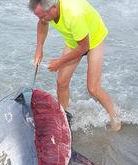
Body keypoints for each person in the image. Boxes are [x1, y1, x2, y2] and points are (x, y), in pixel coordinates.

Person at [29, 0, 121, 131]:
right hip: (75, 40)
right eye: (39, 16)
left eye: (43, 16)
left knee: (93, 88)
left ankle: (115, 117)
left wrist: (60, 62)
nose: (42, 19)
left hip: (93, 40)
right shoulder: (47, 10)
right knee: (61, 82)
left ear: (53, 8)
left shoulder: (73, 14)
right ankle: (62, 117)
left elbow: (84, 47)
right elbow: (42, 24)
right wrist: (39, 48)